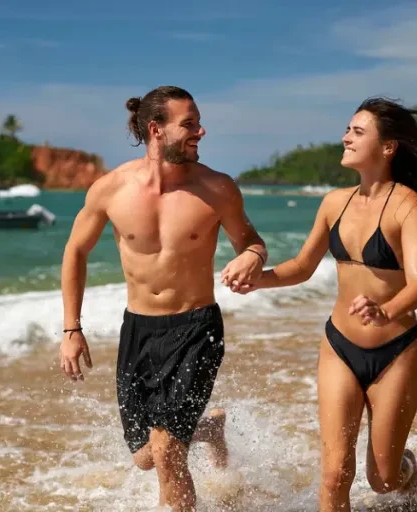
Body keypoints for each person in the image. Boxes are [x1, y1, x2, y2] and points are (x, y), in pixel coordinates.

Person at [228, 97, 417, 510]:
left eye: (358, 132)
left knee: (383, 480)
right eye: (348, 129)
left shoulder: (408, 206)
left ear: (388, 148)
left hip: (396, 353)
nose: (345, 137)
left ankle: (409, 472)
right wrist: (260, 281)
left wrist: (387, 310)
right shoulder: (334, 202)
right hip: (339, 348)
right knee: (334, 475)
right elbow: (302, 265)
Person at [58, 85, 268, 511]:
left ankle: (185, 442)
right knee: (145, 458)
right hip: (139, 331)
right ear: (156, 129)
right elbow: (75, 251)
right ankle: (208, 428)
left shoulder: (217, 187)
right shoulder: (111, 188)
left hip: (196, 328)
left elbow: (253, 242)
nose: (201, 131)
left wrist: (251, 257)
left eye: (198, 122)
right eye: (189, 124)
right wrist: (71, 328)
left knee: (168, 450)